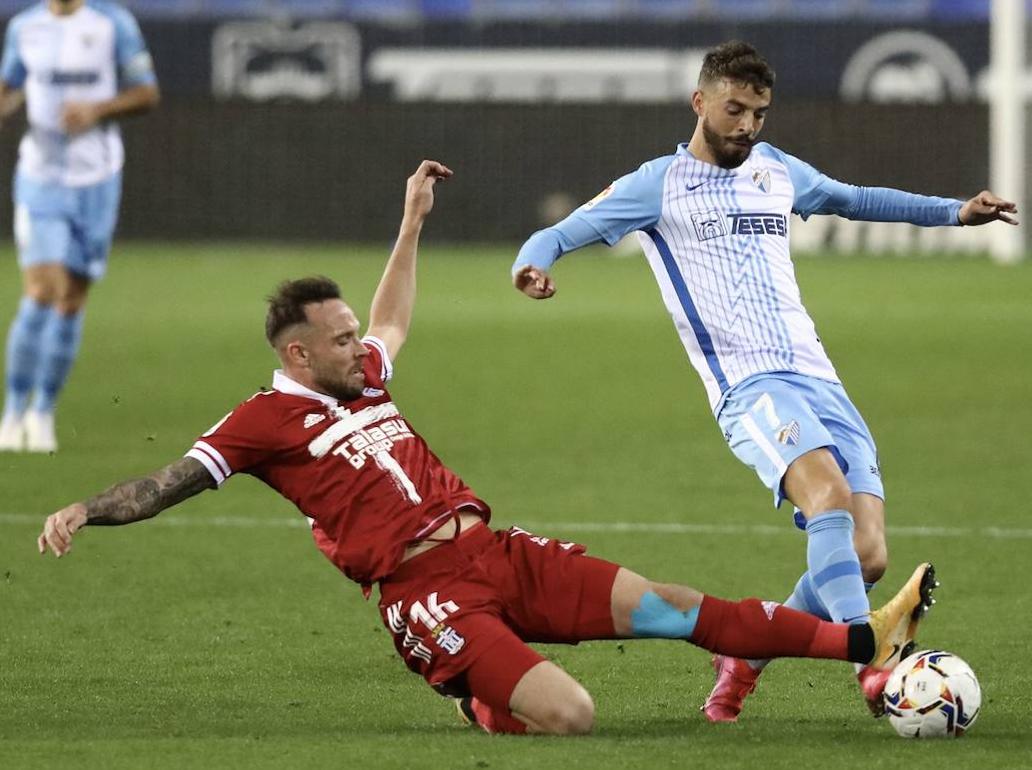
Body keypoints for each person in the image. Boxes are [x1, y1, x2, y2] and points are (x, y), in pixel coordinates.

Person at [37, 161, 936, 735]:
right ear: (296, 355)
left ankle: (860, 641)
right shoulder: (260, 423)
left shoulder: (365, 376)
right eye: (342, 340)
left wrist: (412, 221)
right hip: (426, 597)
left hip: (493, 551)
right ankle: (476, 696)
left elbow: (390, 315)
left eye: (357, 336)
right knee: (574, 717)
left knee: (670, 604)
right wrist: (86, 507)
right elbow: (168, 482)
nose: (364, 347)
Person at [510, 41, 1015, 723]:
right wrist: (531, 265)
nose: (748, 125)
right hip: (749, 388)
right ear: (701, 103)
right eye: (735, 109)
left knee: (866, 555)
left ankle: (746, 656)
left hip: (820, 380)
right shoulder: (656, 185)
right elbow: (558, 233)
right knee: (828, 499)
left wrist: (954, 212)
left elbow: (854, 198)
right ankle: (871, 660)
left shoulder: (776, 170)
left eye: (759, 113)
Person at [0, 0, 159, 452]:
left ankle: (43, 410)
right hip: (41, 178)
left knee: (72, 298)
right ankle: (12, 411)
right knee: (42, 289)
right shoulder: (25, 28)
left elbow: (146, 93)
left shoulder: (113, 24)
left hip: (97, 178)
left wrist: (96, 110)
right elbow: (9, 86)